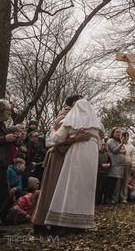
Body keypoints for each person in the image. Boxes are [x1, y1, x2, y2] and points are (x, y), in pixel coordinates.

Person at [44, 98, 103, 232]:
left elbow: (55, 139)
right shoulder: (96, 124)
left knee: (69, 186)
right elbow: (99, 145)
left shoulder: (69, 121)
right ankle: (82, 222)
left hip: (75, 155)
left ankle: (65, 221)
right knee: (86, 188)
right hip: (91, 157)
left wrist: (52, 130)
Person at [32, 95, 87, 235]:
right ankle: (41, 224)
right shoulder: (64, 117)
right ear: (74, 103)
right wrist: (77, 139)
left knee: (60, 191)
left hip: (63, 156)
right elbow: (52, 141)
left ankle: (59, 223)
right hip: (58, 157)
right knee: (52, 190)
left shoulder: (69, 115)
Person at [0, 99, 17, 225]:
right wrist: (5, 138)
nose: (9, 112)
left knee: (4, 194)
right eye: (7, 110)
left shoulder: (3, 125)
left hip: (3, 163)